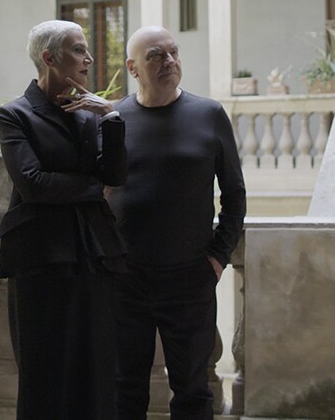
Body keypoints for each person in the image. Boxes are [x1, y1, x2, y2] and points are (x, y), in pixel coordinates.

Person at [107, 25, 246, 419]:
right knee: (124, 388)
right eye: (156, 55)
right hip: (125, 279)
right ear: (133, 68)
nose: (168, 61)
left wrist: (217, 257)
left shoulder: (209, 114)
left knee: (192, 389)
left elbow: (234, 195)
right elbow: (100, 193)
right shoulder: (115, 118)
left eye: (173, 52)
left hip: (189, 277)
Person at [0, 19, 128, 419]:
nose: (89, 59)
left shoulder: (89, 115)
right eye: (78, 50)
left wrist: (112, 117)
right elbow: (34, 183)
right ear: (49, 58)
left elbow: (116, 176)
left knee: (98, 369)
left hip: (94, 255)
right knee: (45, 371)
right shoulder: (14, 115)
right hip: (40, 259)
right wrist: (91, 189)